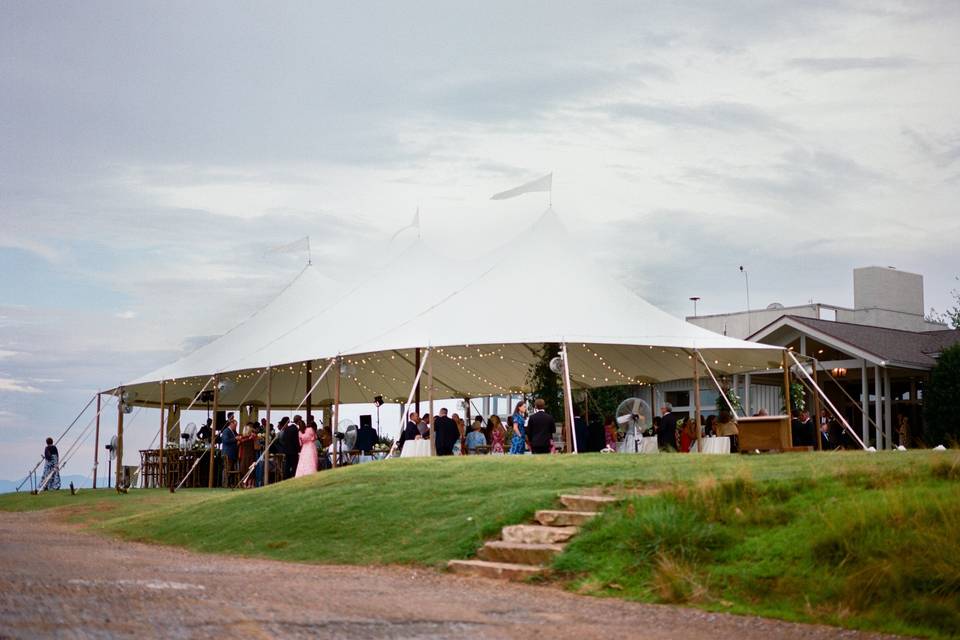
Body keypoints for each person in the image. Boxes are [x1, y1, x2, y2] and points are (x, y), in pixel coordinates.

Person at [237, 423, 257, 487]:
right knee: (250, 470)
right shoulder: (250, 438)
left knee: (245, 470)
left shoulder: (242, 439)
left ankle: (246, 484)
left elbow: (239, 443)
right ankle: (249, 484)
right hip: (250, 456)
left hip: (244, 456)